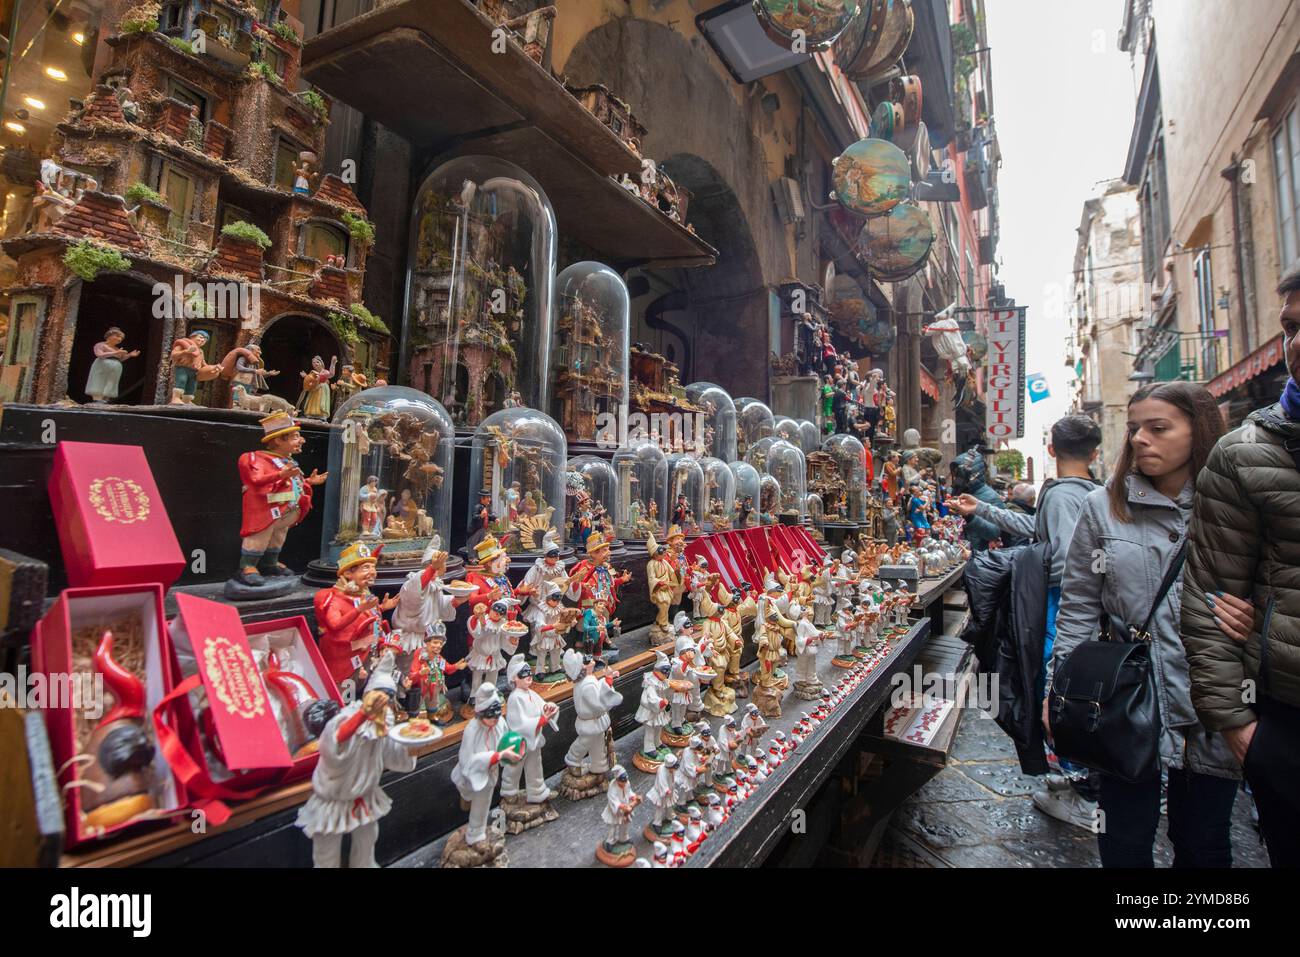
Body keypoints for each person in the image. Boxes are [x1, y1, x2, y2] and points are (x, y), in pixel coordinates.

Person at [1049, 382, 1238, 868]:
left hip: (1211, 700)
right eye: (1135, 429)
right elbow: (1078, 608)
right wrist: (1059, 692)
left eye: (1158, 428)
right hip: (1127, 697)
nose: (1139, 440)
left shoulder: (1234, 505)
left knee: (1204, 840)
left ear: (1199, 432)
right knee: (1123, 837)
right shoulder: (1102, 507)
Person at [1179, 268, 1300, 867]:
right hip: (1285, 717)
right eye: (1292, 328)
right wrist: (1239, 728)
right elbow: (1208, 597)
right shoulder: (1246, 455)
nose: (1297, 343)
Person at [951, 414, 1103, 827]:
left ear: (1051, 449)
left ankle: (1086, 791)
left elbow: (1068, 556)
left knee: (1058, 686)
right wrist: (981, 507)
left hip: (1062, 603)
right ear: (1094, 451)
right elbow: (1039, 531)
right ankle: (1074, 777)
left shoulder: (1066, 494)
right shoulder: (1089, 491)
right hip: (1064, 601)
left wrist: (1026, 569)